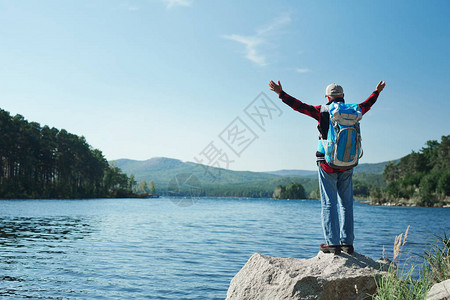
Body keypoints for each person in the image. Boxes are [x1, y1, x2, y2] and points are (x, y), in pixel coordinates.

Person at [268, 80, 386, 254]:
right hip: (348, 162)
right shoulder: (355, 109)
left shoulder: (322, 110)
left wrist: (281, 93)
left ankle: (333, 244)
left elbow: (299, 107)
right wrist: (376, 91)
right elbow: (368, 104)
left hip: (327, 162)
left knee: (329, 203)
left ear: (327, 97)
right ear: (343, 96)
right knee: (346, 204)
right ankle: (347, 243)